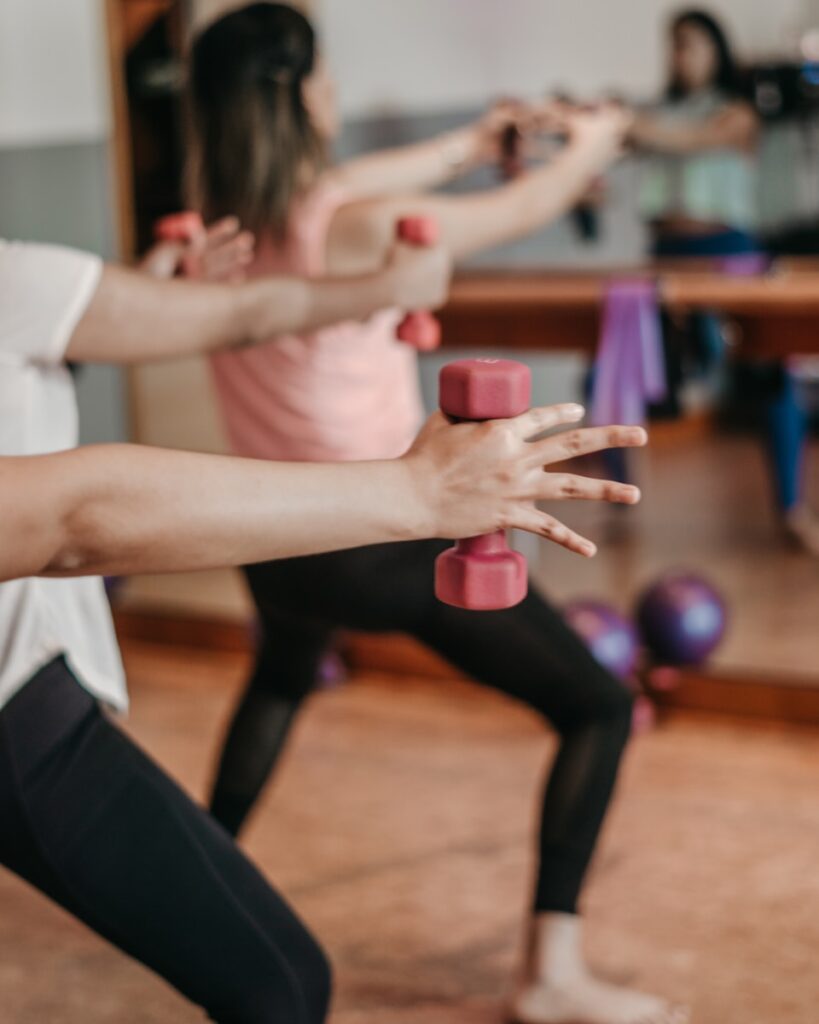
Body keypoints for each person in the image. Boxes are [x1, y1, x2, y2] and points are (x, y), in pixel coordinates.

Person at [0, 224, 648, 1023]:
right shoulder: (18, 276)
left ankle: (210, 861)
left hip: (270, 567)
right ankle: (550, 972)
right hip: (20, 706)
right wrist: (417, 491)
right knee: (283, 981)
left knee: (280, 683)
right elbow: (66, 520)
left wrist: (137, 289)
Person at [187, 6, 685, 1022]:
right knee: (593, 705)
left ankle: (192, 899)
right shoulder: (344, 219)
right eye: (324, 74)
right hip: (373, 533)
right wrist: (588, 145)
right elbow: (516, 212)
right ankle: (550, 974)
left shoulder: (215, 218)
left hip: (275, 532)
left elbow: (359, 188)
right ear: (305, 93)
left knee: (281, 679)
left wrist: (472, 140)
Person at [628, 7, 817, 553]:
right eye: (673, 45)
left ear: (716, 50)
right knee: (609, 372)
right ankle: (618, 497)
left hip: (728, 253)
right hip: (664, 258)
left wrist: (625, 125)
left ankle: (791, 508)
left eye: (689, 44)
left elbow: (685, 141)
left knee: (773, 373)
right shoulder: (657, 114)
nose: (679, 56)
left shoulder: (735, 115)